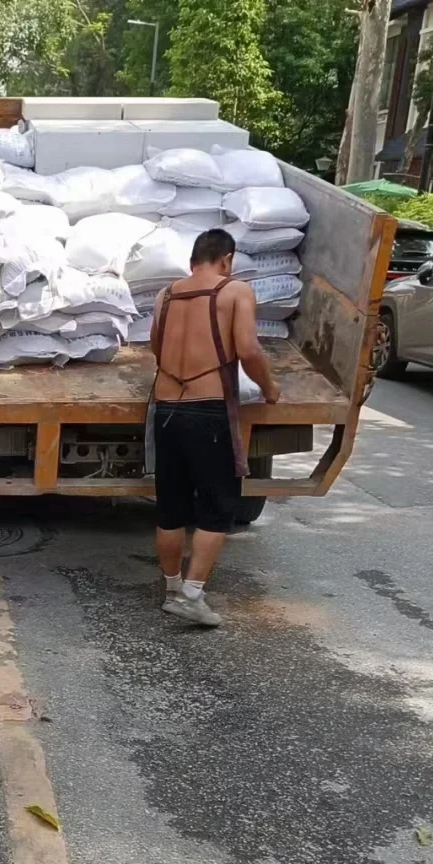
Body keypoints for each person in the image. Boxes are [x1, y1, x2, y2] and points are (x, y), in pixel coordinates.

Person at [149, 228, 281, 627]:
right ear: (227, 259)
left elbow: (156, 346)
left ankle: (172, 588)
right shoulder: (235, 291)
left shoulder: (166, 294)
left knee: (170, 507)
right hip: (208, 412)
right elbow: (247, 349)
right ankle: (191, 595)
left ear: (194, 259)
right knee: (217, 507)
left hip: (166, 407)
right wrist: (269, 387)